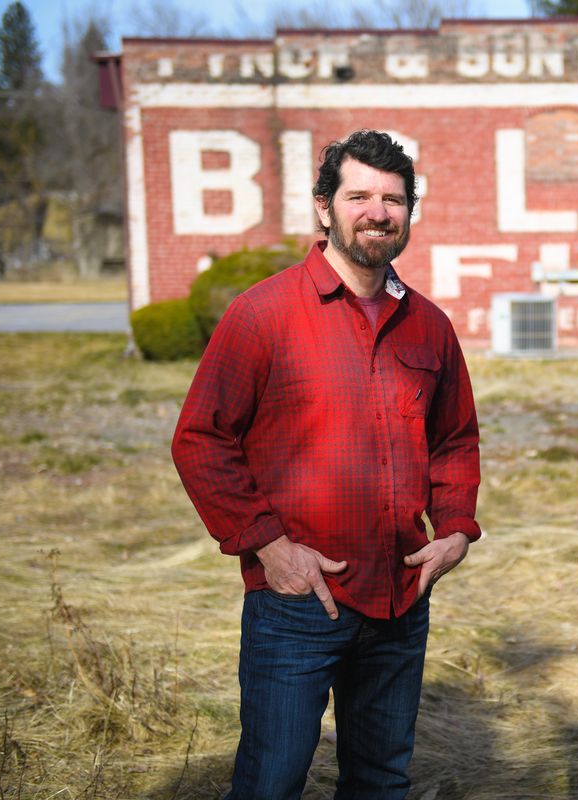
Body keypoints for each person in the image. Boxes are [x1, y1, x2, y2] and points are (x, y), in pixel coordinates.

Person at [172, 130, 481, 800]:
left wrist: (454, 529)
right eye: (360, 195)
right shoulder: (263, 314)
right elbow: (201, 437)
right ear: (324, 208)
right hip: (298, 604)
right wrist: (267, 546)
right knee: (271, 782)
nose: (378, 211)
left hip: (402, 598)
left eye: (394, 199)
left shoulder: (429, 326)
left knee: (379, 780)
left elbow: (455, 439)